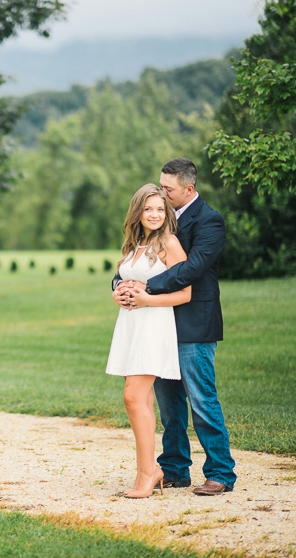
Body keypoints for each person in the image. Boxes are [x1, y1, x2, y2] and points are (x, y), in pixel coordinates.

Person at [113, 158, 237, 496]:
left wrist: (146, 289)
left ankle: (220, 473)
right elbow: (135, 262)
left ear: (189, 188)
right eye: (161, 187)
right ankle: (175, 469)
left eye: (168, 189)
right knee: (169, 405)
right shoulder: (158, 221)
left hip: (193, 321)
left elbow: (192, 268)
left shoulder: (209, 221)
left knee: (201, 399)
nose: (162, 195)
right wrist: (121, 286)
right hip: (157, 325)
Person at [106, 184, 190, 499]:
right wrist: (117, 293)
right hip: (130, 325)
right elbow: (123, 280)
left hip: (154, 324)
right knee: (140, 401)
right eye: (148, 209)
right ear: (138, 212)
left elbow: (186, 293)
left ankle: (149, 472)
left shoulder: (169, 243)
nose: (154, 214)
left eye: (159, 209)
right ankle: (148, 470)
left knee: (132, 397)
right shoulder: (135, 243)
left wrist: (145, 300)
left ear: (166, 213)